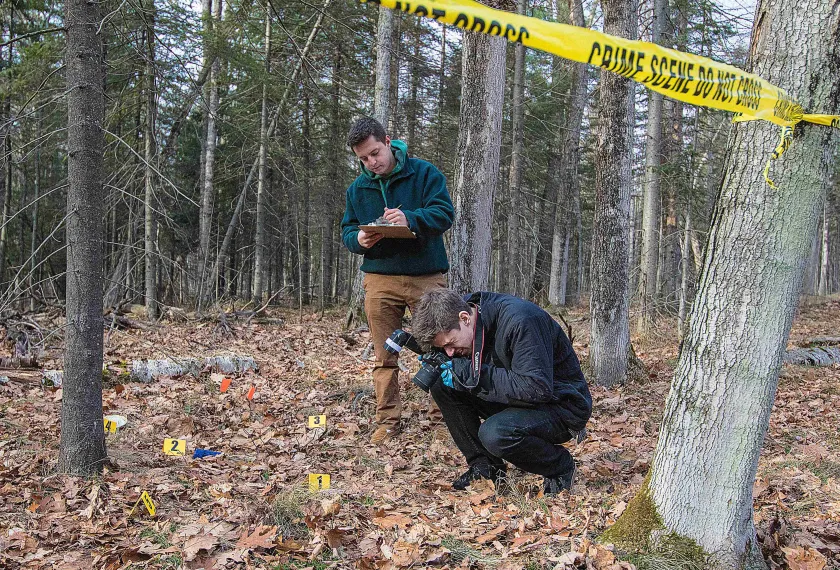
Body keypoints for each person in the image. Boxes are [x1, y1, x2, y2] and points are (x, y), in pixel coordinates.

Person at [341, 117, 455, 445]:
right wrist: (358, 239)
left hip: (426, 277)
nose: (371, 162)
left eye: (375, 153)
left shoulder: (424, 174)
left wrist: (411, 218)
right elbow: (347, 230)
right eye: (363, 158)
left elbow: (444, 214)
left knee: (442, 347)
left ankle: (444, 418)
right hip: (379, 279)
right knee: (384, 354)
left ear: (388, 141)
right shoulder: (357, 189)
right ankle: (388, 421)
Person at [411, 288, 592, 494]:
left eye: (450, 344)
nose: (450, 352)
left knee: (495, 433)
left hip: (561, 405)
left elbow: (536, 388)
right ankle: (485, 468)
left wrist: (469, 373)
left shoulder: (521, 320)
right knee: (441, 382)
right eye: (444, 348)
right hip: (519, 397)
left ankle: (560, 467)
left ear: (465, 318)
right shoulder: (464, 313)